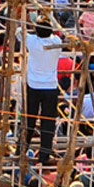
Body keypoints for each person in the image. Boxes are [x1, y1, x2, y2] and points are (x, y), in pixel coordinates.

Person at [24, 19, 63, 165]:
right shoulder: (56, 41)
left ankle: (22, 148)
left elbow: (19, 32)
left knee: (29, 119)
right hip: (50, 86)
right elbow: (56, 31)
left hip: (33, 85)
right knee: (48, 122)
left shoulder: (31, 41)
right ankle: (44, 154)